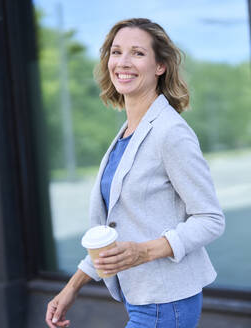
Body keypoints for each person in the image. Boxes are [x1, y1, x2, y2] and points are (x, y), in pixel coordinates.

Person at [45, 18, 225, 328]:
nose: (123, 62)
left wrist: (143, 252)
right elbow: (117, 228)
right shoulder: (128, 133)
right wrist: (72, 286)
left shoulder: (171, 133)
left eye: (138, 53)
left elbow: (210, 220)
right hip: (140, 298)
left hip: (166, 303)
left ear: (160, 66)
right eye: (116, 52)